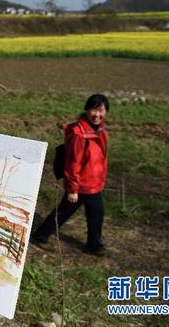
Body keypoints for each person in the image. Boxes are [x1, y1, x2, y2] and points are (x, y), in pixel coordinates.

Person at [32, 94, 110, 257]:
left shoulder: (100, 130)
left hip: (93, 183)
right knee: (65, 213)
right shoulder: (78, 133)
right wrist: (73, 188)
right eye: (94, 110)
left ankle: (93, 245)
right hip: (81, 185)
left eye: (101, 110)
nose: (97, 115)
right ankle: (41, 236)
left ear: (106, 112)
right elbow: (73, 162)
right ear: (87, 110)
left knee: (94, 212)